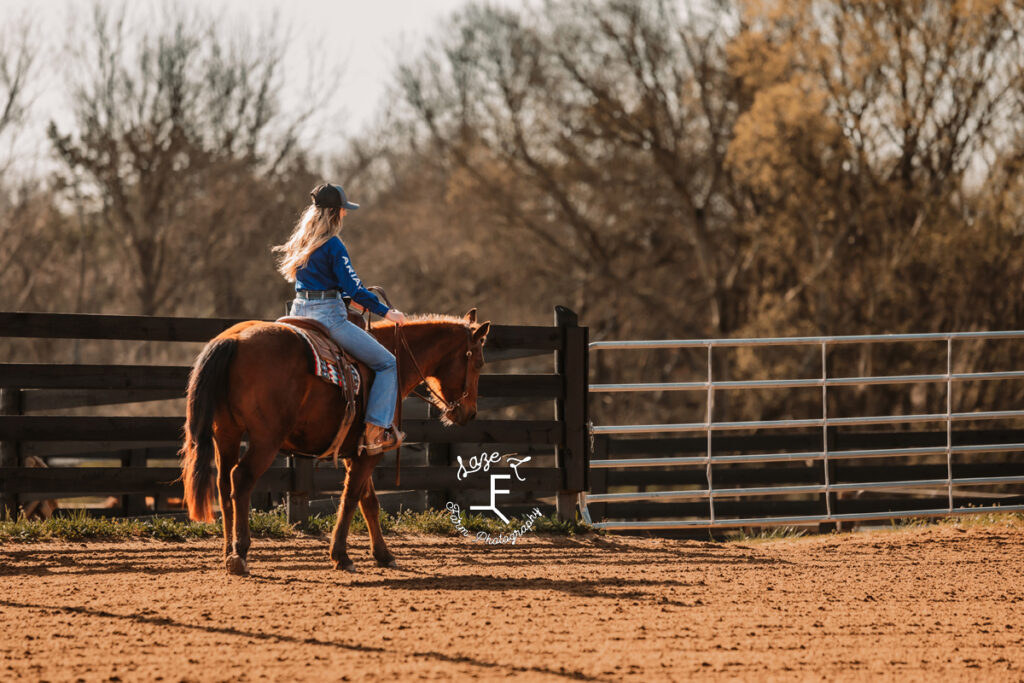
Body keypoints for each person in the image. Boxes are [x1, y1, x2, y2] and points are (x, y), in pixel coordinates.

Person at [273, 183, 407, 455]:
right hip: (328, 318)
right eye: (344, 211)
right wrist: (387, 312)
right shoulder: (334, 245)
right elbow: (355, 289)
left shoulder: (301, 242)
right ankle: (374, 432)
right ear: (334, 213)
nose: (346, 216)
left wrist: (344, 296)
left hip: (297, 313)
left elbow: (323, 283)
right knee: (387, 363)